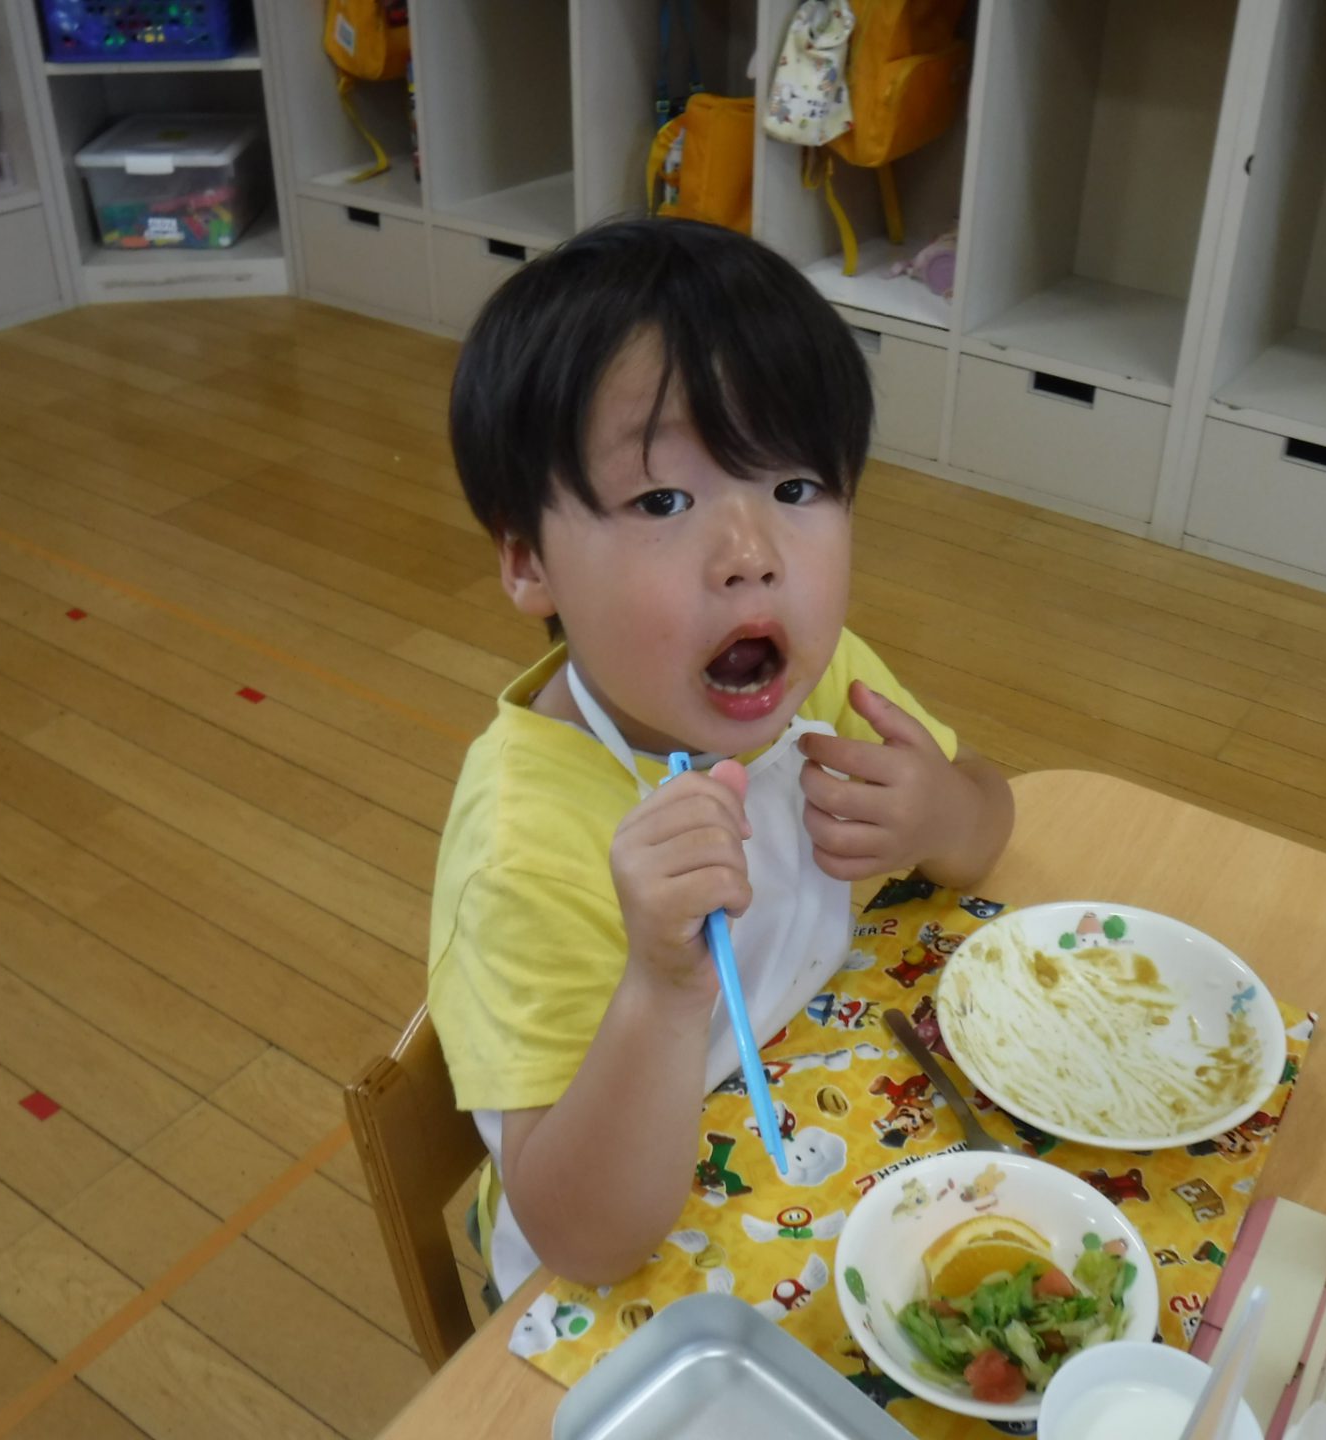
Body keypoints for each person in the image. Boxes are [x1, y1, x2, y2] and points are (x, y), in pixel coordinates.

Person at [430, 218, 1014, 1297]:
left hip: (810, 1109)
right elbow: (580, 1240)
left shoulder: (821, 683)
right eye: (663, 500)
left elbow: (988, 822)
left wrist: (939, 812)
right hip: (615, 1260)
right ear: (527, 560)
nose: (752, 557)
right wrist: (659, 990)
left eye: (795, 489)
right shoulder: (524, 851)